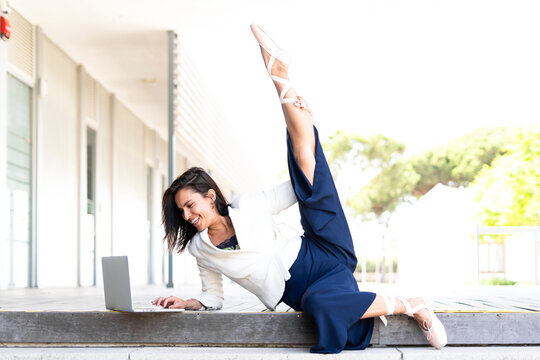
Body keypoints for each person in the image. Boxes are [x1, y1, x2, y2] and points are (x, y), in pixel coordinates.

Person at [153, 24, 447, 354]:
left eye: (190, 205)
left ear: (210, 196)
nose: (187, 215)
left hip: (322, 252)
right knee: (326, 311)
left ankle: (280, 75)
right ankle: (412, 302)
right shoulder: (200, 250)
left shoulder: (248, 206)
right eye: (181, 211)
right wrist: (187, 301)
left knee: (304, 161)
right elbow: (214, 296)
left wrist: (305, 139)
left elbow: (299, 188)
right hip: (304, 292)